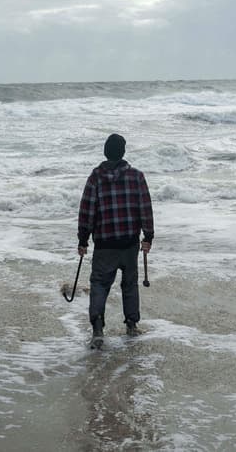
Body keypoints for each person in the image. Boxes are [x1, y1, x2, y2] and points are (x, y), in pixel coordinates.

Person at [77, 133, 154, 348]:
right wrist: (148, 235)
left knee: (100, 285)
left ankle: (98, 329)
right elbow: (145, 209)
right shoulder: (136, 177)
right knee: (130, 284)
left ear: (105, 152)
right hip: (129, 243)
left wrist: (83, 239)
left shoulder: (95, 177)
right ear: (123, 152)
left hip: (105, 244)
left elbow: (87, 211)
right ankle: (131, 324)